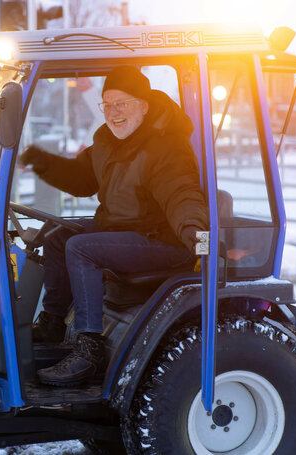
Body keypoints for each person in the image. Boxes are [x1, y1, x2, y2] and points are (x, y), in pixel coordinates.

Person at [20, 66, 208, 387]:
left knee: (81, 249)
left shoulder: (165, 146)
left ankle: (89, 350)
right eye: (107, 104)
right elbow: (81, 178)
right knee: (56, 237)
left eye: (122, 103)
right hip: (124, 232)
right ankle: (53, 322)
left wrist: (194, 230)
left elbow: (181, 192)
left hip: (164, 240)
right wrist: (41, 161)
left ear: (143, 106)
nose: (113, 112)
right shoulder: (107, 140)